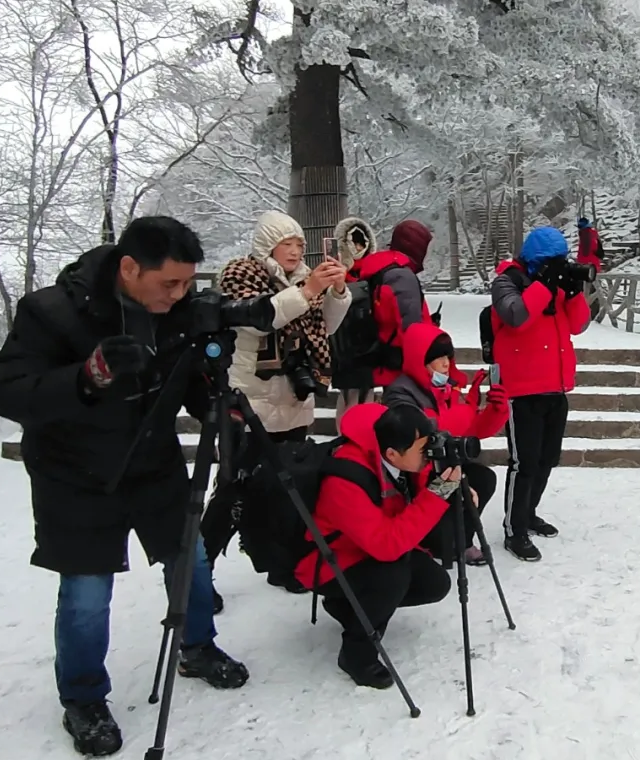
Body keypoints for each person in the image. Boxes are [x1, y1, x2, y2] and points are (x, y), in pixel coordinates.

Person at [0, 216, 250, 758]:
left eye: (187, 284)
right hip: (76, 476)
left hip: (153, 465)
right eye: (169, 283)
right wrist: (88, 376)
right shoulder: (51, 312)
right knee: (87, 594)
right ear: (130, 268)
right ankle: (83, 698)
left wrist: (216, 405)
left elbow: (187, 379)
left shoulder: (177, 311)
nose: (179, 295)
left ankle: (198, 647)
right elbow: (11, 393)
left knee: (191, 561)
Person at [200, 210, 351, 610]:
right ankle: (199, 572)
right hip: (249, 402)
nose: (296, 250)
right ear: (269, 244)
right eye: (288, 243)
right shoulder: (240, 274)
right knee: (233, 491)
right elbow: (259, 321)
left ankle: (283, 565)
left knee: (290, 488)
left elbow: (324, 327)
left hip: (292, 400)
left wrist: (335, 292)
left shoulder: (304, 277)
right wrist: (307, 289)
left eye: (301, 244)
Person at [294, 403, 456, 689]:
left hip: (363, 544)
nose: (428, 454)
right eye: (423, 450)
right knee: (392, 575)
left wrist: (450, 481)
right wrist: (437, 493)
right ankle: (357, 654)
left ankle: (349, 606)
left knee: (434, 583)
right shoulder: (346, 478)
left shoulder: (393, 453)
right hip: (327, 561)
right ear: (392, 454)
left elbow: (400, 510)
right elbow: (386, 546)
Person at [489, 225, 591, 562]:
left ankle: (528, 513)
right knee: (524, 463)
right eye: (552, 262)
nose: (558, 267)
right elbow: (515, 316)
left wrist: (573, 292)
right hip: (522, 390)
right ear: (535, 261)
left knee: (547, 459)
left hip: (556, 386)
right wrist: (542, 286)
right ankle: (514, 530)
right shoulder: (507, 282)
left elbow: (578, 325)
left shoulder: (554, 288)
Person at [382, 321, 509, 565]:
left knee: (483, 478)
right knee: (456, 488)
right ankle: (437, 542)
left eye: (447, 357)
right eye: (437, 358)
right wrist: (467, 407)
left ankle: (462, 541)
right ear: (420, 361)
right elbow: (425, 431)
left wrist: (496, 410)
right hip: (418, 472)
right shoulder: (400, 393)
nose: (445, 364)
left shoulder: (448, 389)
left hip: (447, 463)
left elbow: (472, 432)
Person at [341, 218, 435, 393]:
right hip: (399, 364)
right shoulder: (401, 276)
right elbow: (411, 327)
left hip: (377, 357)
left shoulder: (378, 269)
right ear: (416, 246)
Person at [332, 215, 380, 429]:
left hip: (369, 341)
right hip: (344, 341)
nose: (358, 247)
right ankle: (346, 438)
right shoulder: (334, 270)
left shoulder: (375, 272)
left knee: (367, 393)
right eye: (353, 242)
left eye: (362, 242)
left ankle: (363, 436)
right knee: (348, 396)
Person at [576, 216, 605, 319]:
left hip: (584, 268)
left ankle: (587, 314)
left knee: (584, 292)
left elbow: (584, 253)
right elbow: (601, 253)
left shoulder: (584, 235)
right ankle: (594, 314)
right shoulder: (594, 234)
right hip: (595, 267)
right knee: (594, 292)